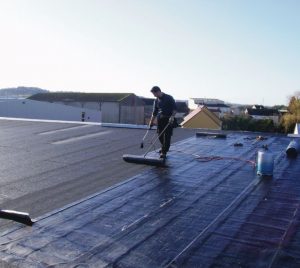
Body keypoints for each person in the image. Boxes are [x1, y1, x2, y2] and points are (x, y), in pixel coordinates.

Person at [149, 86, 177, 159]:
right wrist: (151, 122)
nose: (154, 95)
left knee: (167, 136)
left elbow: (174, 109)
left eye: (154, 94)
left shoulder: (169, 98)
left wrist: (172, 117)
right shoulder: (156, 101)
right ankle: (164, 148)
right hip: (160, 120)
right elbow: (154, 112)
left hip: (168, 120)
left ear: (158, 91)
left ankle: (164, 152)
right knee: (160, 135)